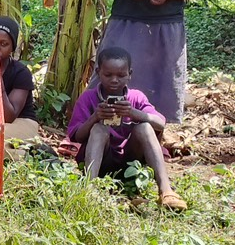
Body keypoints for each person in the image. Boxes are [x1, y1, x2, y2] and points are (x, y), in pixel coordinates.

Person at [68, 47, 184, 210]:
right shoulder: (88, 98)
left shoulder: (136, 97)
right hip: (102, 163)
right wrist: (95, 117)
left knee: (144, 127)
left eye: (121, 75)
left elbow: (160, 123)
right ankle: (88, 190)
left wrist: (134, 113)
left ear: (130, 74)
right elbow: (77, 137)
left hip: (131, 162)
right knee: (99, 130)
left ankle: (166, 190)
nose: (114, 80)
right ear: (98, 72)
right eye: (108, 75)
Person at [0, 17, 40, 145]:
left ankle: (27, 152)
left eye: (3, 44)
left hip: (21, 122)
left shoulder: (21, 72)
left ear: (12, 48)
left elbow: (9, 117)